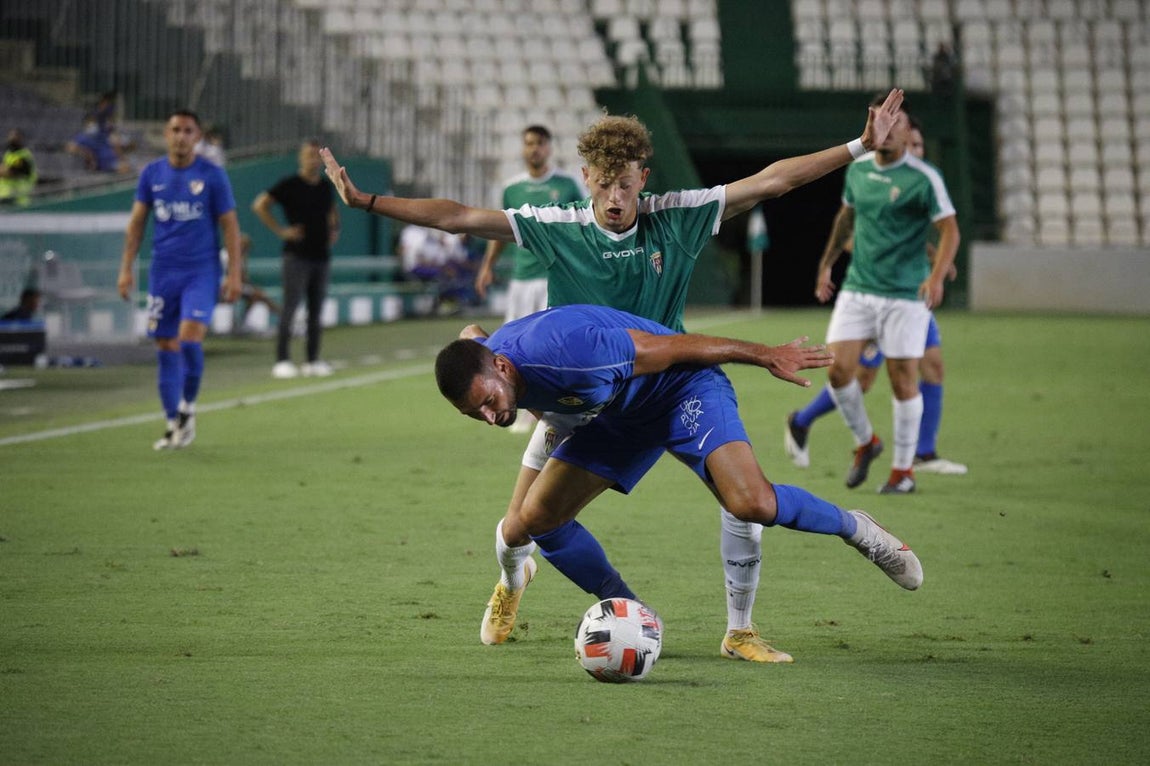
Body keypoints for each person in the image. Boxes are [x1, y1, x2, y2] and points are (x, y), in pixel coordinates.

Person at [321, 87, 905, 661]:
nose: (615, 197)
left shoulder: (678, 216)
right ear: (586, 179)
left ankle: (749, 621)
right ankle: (527, 585)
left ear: (643, 179)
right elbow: (457, 219)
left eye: (625, 184)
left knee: (745, 501)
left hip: (670, 381)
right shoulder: (559, 225)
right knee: (521, 525)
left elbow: (774, 181)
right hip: (580, 396)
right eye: (603, 184)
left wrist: (858, 145)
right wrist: (368, 202)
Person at [434, 304, 924, 629]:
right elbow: (470, 334)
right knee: (536, 521)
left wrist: (764, 354)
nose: (490, 415)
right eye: (473, 413)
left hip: (680, 391)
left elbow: (673, 348)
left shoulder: (571, 356)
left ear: (501, 367)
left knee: (750, 502)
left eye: (488, 401)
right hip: (619, 419)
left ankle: (857, 528)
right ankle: (633, 614)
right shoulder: (493, 361)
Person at [785, 120, 967, 476]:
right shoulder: (863, 174)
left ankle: (921, 454)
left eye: (918, 145)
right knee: (858, 376)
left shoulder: (922, 179)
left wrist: (936, 266)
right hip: (868, 294)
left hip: (912, 296)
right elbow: (857, 231)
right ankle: (808, 421)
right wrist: (830, 263)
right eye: (909, 142)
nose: (913, 150)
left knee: (930, 368)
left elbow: (934, 233)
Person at [118, 109, 243, 450]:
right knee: (165, 345)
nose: (181, 136)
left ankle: (188, 407)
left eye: (188, 130)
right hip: (163, 272)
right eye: (175, 129)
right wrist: (126, 267)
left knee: (188, 339)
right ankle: (173, 423)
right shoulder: (151, 174)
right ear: (165, 133)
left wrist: (234, 273)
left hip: (200, 271)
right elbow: (137, 224)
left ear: (198, 136)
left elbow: (230, 226)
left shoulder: (212, 176)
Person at [473, 125, 587, 433]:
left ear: (549, 148)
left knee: (552, 347)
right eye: (528, 143)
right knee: (510, 347)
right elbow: (500, 230)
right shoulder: (512, 188)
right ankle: (512, 402)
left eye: (539, 143)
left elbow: (583, 224)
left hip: (555, 278)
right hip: (522, 280)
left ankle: (549, 407)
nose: (533, 149)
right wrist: (488, 265)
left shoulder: (567, 184)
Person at [252, 139, 340, 379]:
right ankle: (282, 360)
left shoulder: (324, 186)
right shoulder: (289, 185)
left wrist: (334, 229)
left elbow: (331, 210)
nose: (313, 159)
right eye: (309, 155)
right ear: (301, 157)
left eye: (316, 155)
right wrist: (282, 231)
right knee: (290, 308)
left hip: (321, 255)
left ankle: (312, 359)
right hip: (296, 256)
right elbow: (260, 205)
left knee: (316, 310)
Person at [220, 233, 281, 334]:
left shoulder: (240, 257)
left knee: (257, 295)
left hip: (235, 287)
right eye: (243, 245)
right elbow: (236, 277)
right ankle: (284, 317)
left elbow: (245, 279)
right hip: (221, 288)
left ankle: (241, 324)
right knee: (258, 295)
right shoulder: (225, 255)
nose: (245, 249)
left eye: (246, 247)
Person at [0, 129, 38, 206]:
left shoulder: (24, 156)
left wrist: (4, 170)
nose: (11, 139)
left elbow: (10, 173)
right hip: (6, 196)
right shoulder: (9, 153)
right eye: (10, 136)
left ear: (20, 138)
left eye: (14, 137)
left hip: (17, 197)